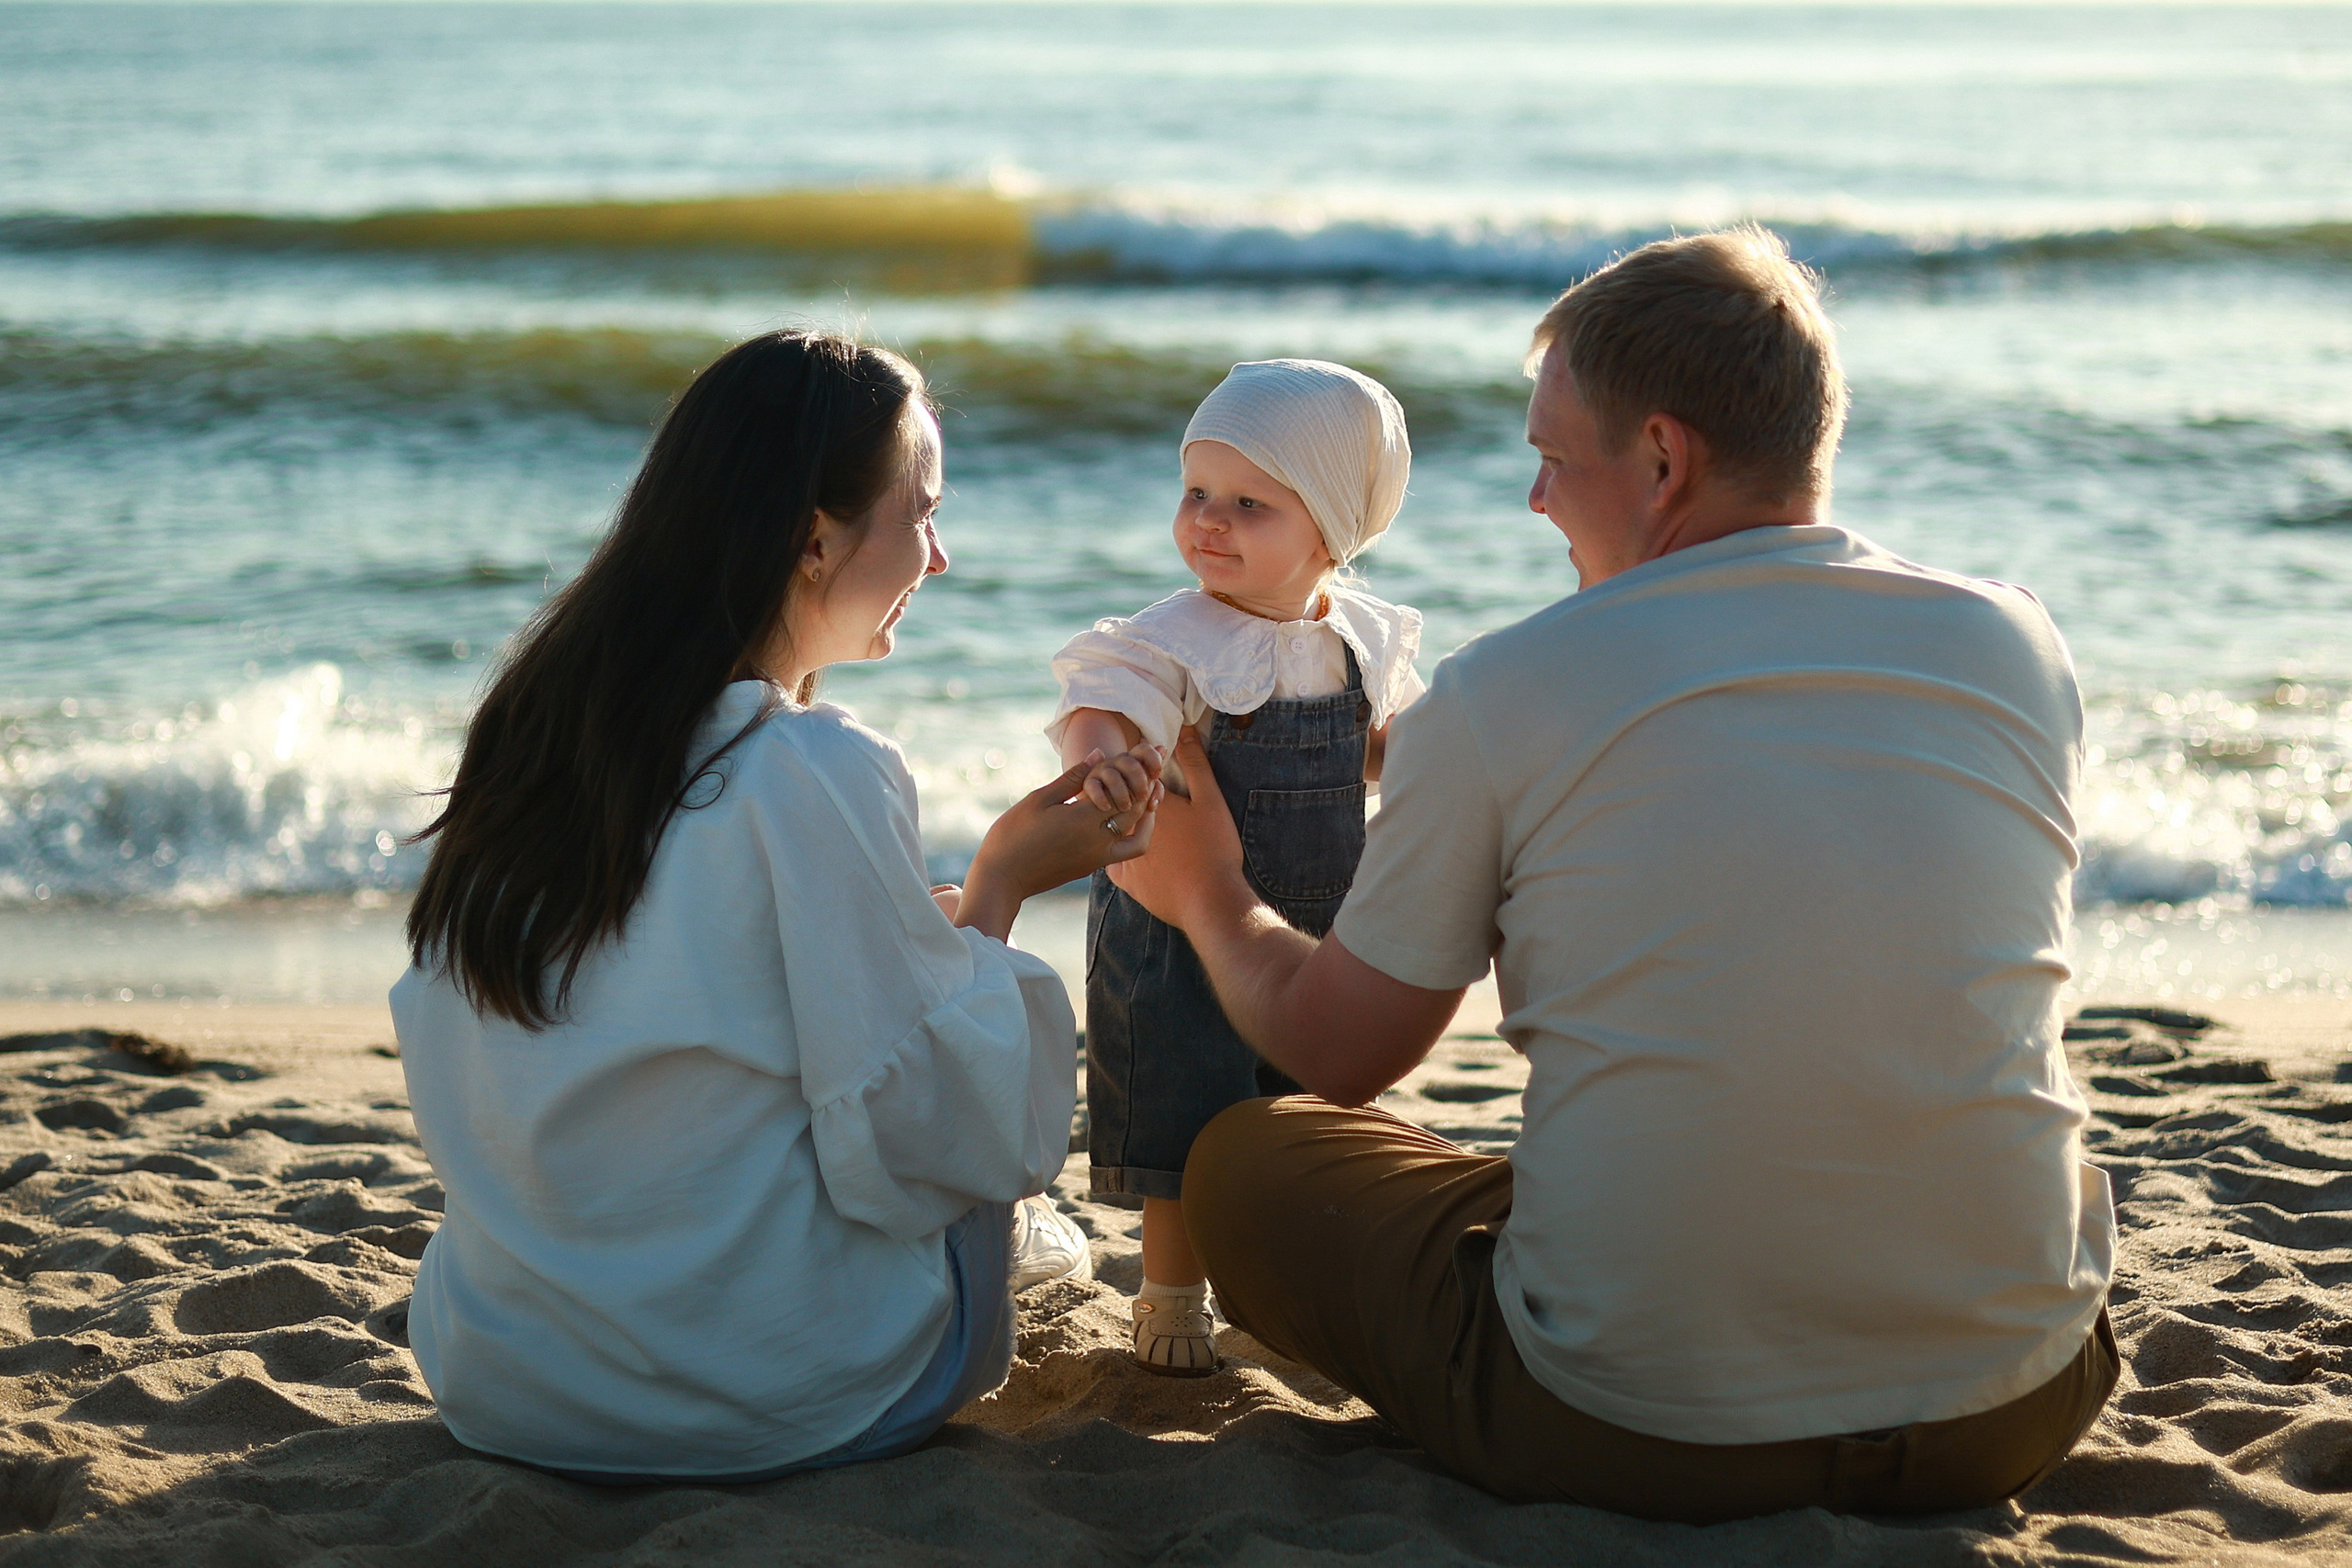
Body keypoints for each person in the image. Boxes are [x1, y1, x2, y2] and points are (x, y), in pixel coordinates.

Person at [1107, 226, 2120, 1522]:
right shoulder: (2015, 640)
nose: (1536, 498)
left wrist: (1206, 887)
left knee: (1248, 1156)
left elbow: (1342, 1050)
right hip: (2014, 1397)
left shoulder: (1506, 687)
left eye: (1551, 458)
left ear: (1660, 455)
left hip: (1639, 1423)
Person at [390, 331, 1164, 1483]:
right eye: (924, 513)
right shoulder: (808, 767)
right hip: (753, 1400)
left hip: (505, 1379)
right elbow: (922, 1129)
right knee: (968, 1130)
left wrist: (933, 930)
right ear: (814, 538)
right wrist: (1001, 886)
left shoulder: (544, 732)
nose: (939, 558)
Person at [1046, 359, 1422, 1374]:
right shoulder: (1174, 640)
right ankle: (1171, 1294)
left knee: (1308, 1109)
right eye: (1196, 494)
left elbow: (1368, 749)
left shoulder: (1358, 639)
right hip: (1177, 936)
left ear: (1331, 529)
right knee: (1187, 1114)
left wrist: (1429, 759)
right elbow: (1101, 703)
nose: (1208, 523)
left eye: (1248, 504)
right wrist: (1101, 756)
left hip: (1316, 924)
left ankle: (1294, 1285)